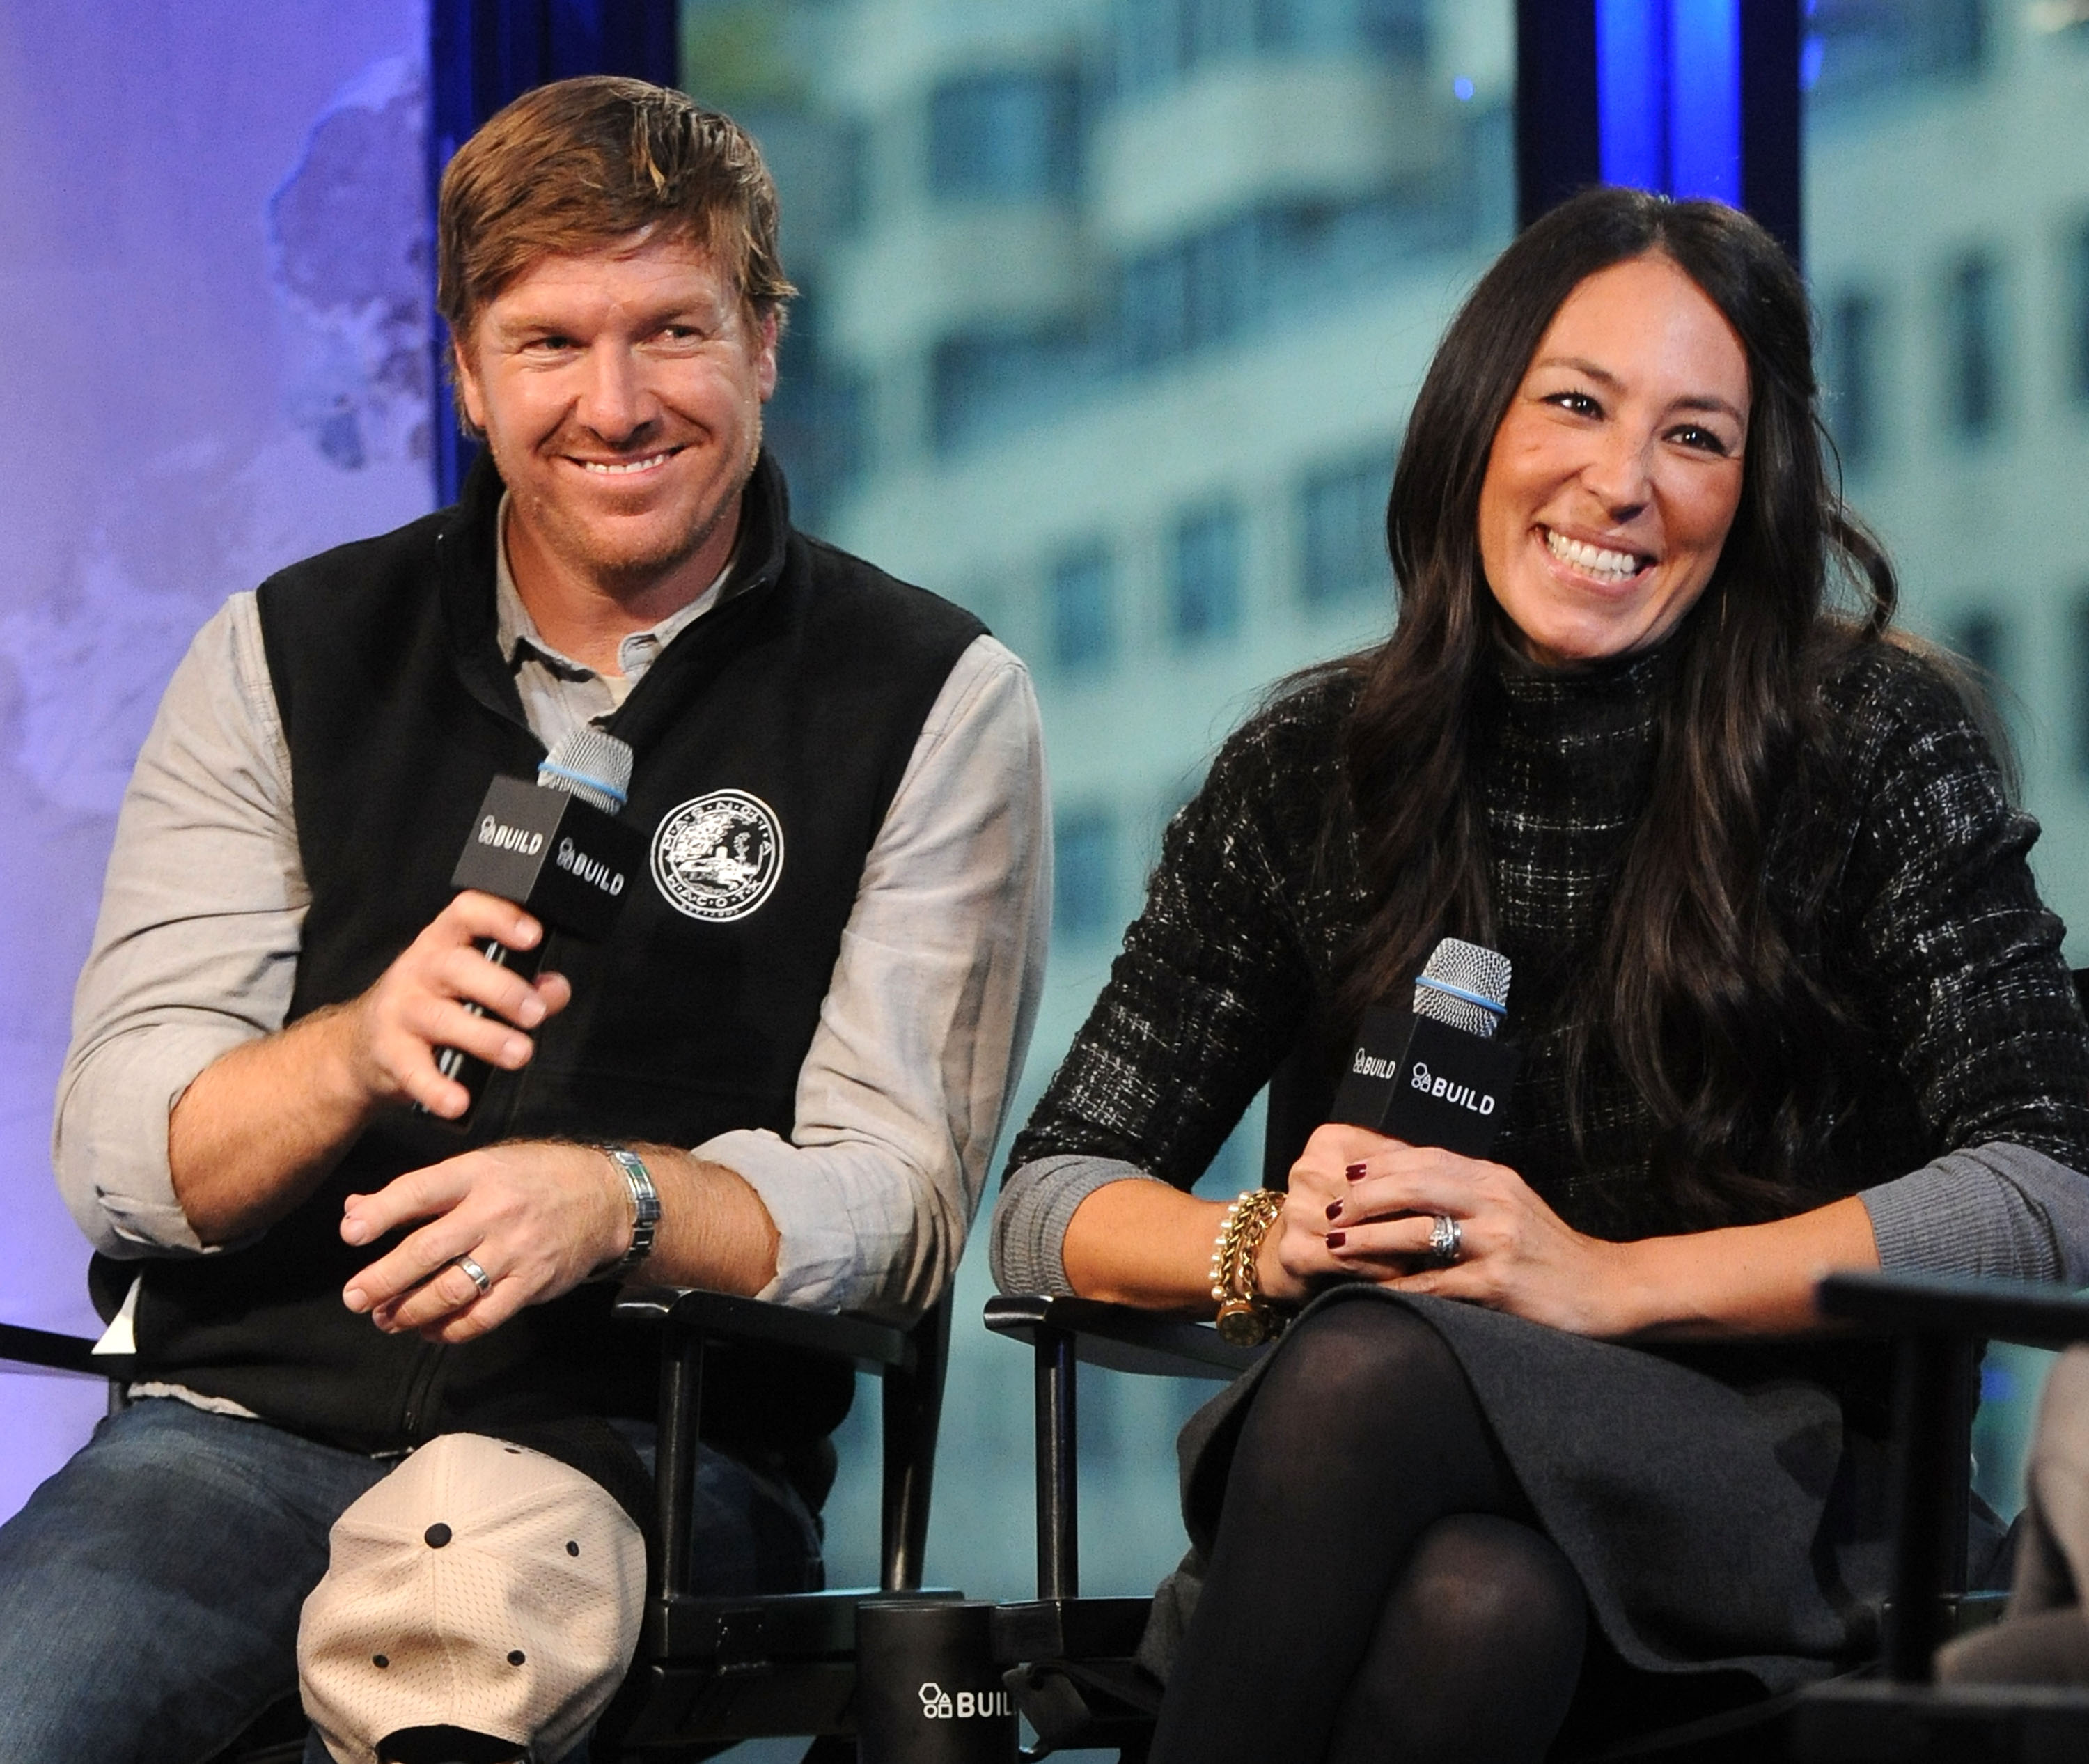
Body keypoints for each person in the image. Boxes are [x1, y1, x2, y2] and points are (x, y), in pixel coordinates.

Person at [0, 76, 1049, 1764]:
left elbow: (900, 1194)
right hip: (237, 1429)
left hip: (650, 1442)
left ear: (766, 341)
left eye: (673, 332)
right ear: (470, 375)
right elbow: (124, 1148)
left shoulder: (930, 693)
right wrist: (348, 1054)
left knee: (448, 1663)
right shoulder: (284, 651)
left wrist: (621, 1203)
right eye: (552, 342)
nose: (617, 402)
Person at [990, 185, 2089, 1763]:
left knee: (1371, 1370)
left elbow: (2051, 1184)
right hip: (1393, 1507)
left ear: (1757, 486)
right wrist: (1264, 1239)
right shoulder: (1312, 767)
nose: (1622, 481)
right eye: (1574, 403)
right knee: (1474, 1604)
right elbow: (1049, 1198)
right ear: (1475, 421)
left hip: (1774, 1485)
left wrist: (1605, 1281)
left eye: (1697, 439)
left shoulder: (1870, 747)